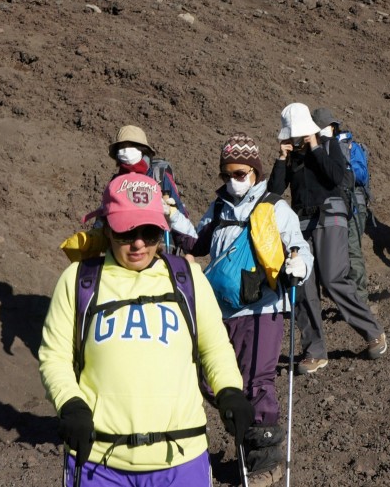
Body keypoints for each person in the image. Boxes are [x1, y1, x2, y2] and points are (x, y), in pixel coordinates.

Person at [39, 174, 253, 487]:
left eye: (149, 232)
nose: (139, 242)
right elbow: (54, 355)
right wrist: (70, 404)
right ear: (107, 227)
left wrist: (230, 391)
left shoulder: (189, 279)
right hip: (98, 463)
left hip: (181, 461)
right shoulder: (77, 281)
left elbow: (215, 348)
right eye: (126, 231)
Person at [192, 134, 313, 487]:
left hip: (263, 307)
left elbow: (298, 248)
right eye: (227, 172)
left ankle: (266, 460)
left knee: (257, 382)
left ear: (256, 172)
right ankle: (249, 441)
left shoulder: (275, 207)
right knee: (212, 381)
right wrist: (169, 215)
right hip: (222, 310)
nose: (233, 179)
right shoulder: (217, 208)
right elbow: (195, 241)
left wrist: (299, 267)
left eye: (241, 172)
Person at [269, 103, 387, 375]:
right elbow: (275, 192)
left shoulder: (330, 145)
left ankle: (372, 331)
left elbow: (336, 177)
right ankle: (314, 350)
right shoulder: (292, 155)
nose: (296, 138)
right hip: (300, 221)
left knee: (334, 276)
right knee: (303, 284)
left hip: (331, 214)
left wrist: (315, 146)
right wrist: (280, 158)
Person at [312, 108, 372, 303]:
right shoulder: (315, 150)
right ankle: (344, 299)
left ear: (333, 127)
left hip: (353, 205)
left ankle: (360, 300)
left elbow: (362, 176)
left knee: (351, 249)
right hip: (328, 207)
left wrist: (341, 166)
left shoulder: (350, 147)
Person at [107, 125, 196, 254]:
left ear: (143, 150)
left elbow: (181, 214)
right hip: (126, 247)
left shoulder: (159, 176)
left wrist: (171, 212)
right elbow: (105, 216)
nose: (126, 151)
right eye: (122, 147)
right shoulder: (116, 182)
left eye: (131, 146)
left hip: (158, 247)